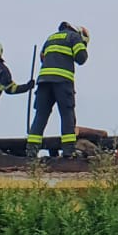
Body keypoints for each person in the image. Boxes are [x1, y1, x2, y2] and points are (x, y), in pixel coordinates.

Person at [27, 21, 88, 155]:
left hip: (44, 81)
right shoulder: (74, 37)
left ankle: (31, 151)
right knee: (67, 115)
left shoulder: (51, 37)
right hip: (62, 82)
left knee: (40, 116)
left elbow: (42, 57)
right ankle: (68, 151)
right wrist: (82, 47)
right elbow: (81, 58)